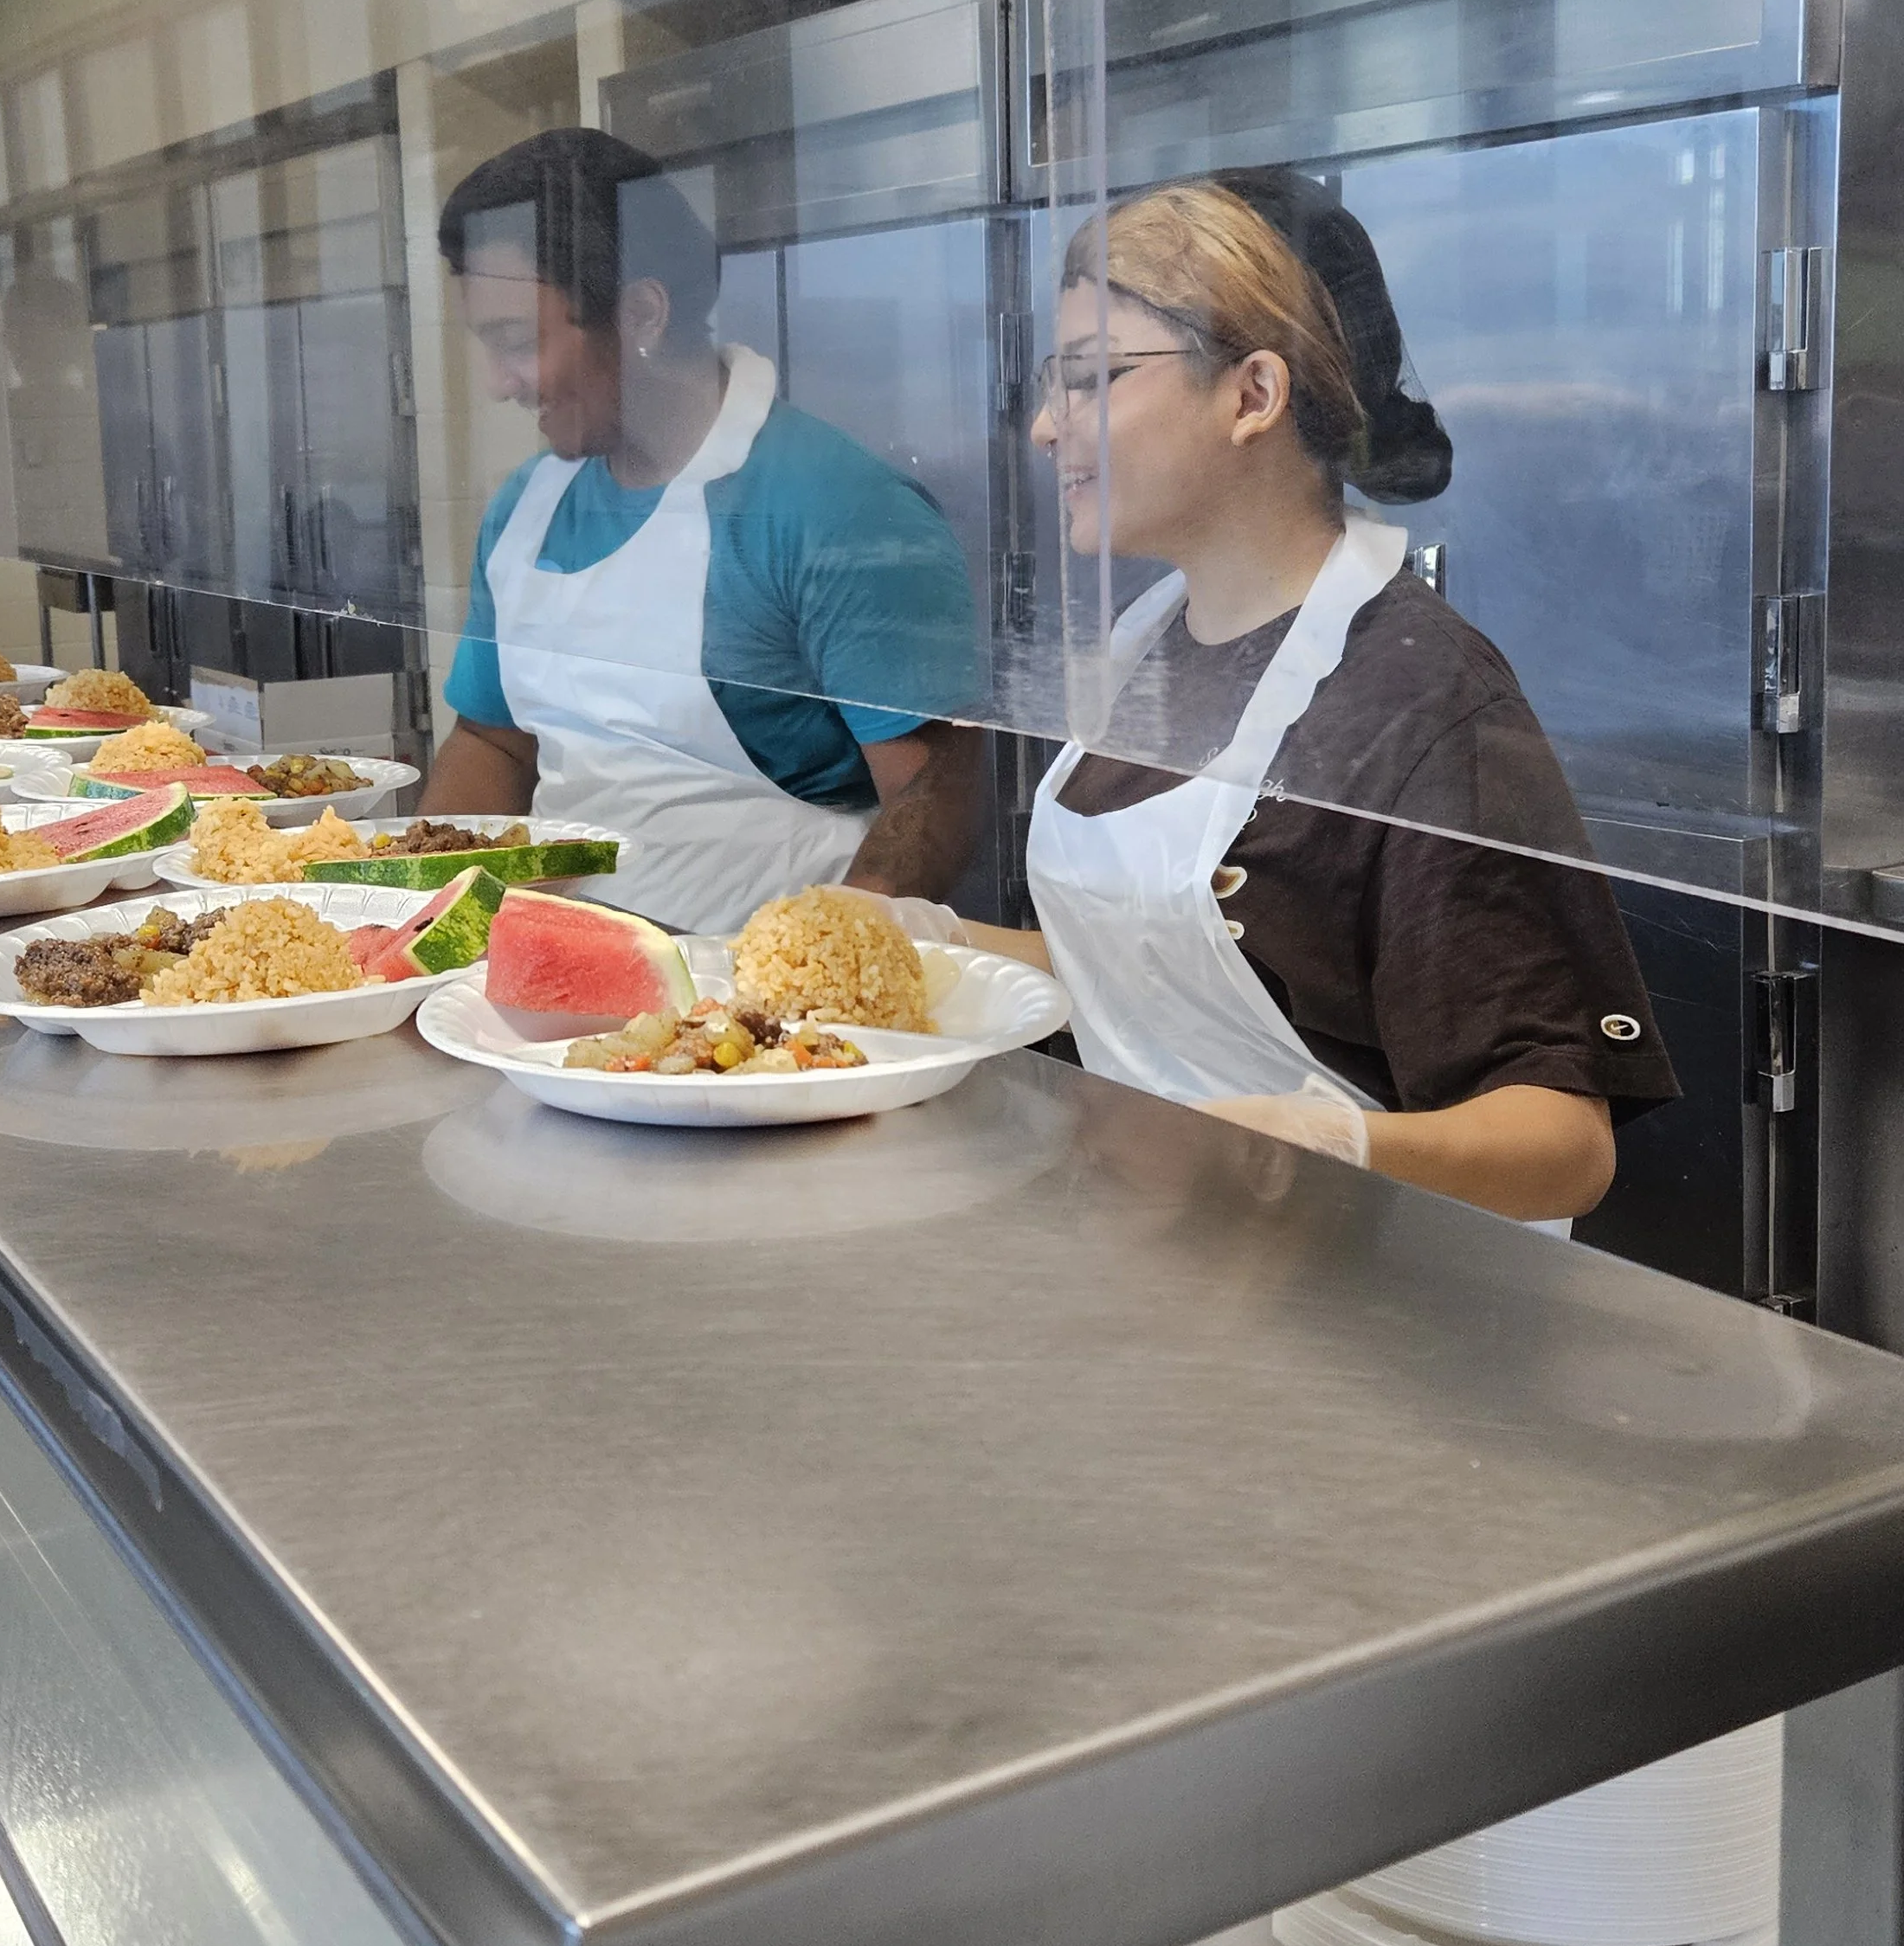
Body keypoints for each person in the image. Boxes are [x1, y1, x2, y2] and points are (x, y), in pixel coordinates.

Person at [994, 176, 1677, 1216]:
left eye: (1092, 377)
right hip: (1174, 1256)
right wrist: (935, 948)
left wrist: (1325, 1141)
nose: (1048, 427)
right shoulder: (1148, 648)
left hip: (1363, 1301)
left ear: (1253, 395)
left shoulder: (1418, 700)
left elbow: (1562, 1142)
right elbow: (1180, 961)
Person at [420, 125, 982, 930]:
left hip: (754, 1011)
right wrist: (442, 928)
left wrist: (829, 958)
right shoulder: (525, 510)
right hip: (543, 976)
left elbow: (939, 790)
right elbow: (496, 743)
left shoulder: (834, 507)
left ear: (642, 312)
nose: (496, 383)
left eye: (516, 343)